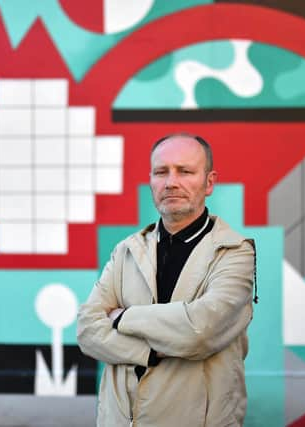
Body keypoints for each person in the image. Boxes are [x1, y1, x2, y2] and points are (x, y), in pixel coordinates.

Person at [77, 133, 257, 426]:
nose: (171, 182)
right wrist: (147, 352)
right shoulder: (127, 251)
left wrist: (123, 318)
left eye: (185, 171)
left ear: (209, 183)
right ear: (151, 180)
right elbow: (88, 329)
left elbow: (200, 330)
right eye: (161, 172)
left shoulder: (234, 253)